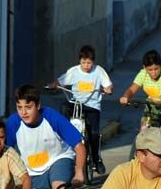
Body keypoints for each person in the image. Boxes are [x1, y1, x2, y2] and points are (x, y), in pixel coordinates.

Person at [48, 45, 113, 175]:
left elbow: (108, 84)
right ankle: (64, 138)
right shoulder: (74, 71)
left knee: (94, 133)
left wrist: (108, 89)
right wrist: (53, 85)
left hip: (92, 106)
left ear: (93, 62)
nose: (86, 65)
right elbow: (61, 81)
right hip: (75, 104)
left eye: (89, 63)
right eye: (83, 62)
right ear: (79, 61)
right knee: (63, 108)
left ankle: (96, 159)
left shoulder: (99, 71)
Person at [119, 50, 161, 130]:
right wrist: (126, 96)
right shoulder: (143, 74)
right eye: (150, 70)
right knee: (145, 124)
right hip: (153, 99)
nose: (153, 73)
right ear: (144, 68)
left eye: (156, 69)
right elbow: (132, 89)